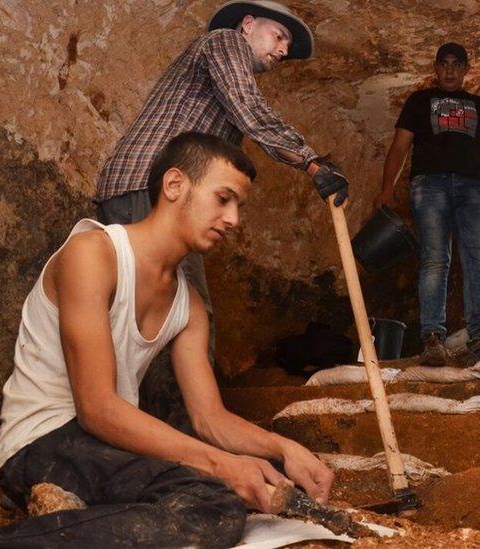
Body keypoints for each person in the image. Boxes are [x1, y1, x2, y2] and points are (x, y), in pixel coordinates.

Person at [0, 133, 334, 548]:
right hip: (43, 439)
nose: (234, 219)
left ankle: (71, 512)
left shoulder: (190, 305)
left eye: (239, 206)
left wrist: (285, 448)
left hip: (104, 442)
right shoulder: (93, 254)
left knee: (263, 475)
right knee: (209, 505)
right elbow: (97, 409)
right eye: (223, 198)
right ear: (175, 185)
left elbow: (209, 418)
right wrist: (221, 465)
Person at [94, 0, 349, 429]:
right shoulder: (225, 40)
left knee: (145, 311)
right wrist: (312, 163)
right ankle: (184, 432)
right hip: (152, 187)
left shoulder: (223, 65)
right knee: (180, 310)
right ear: (248, 24)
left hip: (146, 187)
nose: (283, 50)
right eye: (279, 36)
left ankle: (156, 429)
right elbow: (250, 112)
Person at [375, 42, 480, 367]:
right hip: (430, 184)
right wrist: (386, 189)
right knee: (435, 259)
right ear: (436, 68)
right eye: (444, 64)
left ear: (467, 69)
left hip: (473, 188)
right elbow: (399, 148)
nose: (450, 70)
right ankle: (433, 339)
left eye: (457, 64)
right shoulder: (419, 101)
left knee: (479, 258)